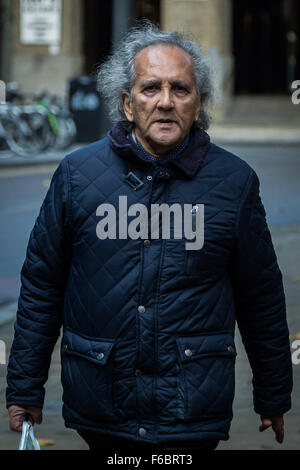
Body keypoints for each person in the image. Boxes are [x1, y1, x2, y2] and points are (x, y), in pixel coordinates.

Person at [6, 22, 292, 453]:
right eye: (150, 88)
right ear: (126, 103)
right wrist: (25, 387)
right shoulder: (77, 175)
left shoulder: (234, 182)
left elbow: (261, 296)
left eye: (180, 89)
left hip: (192, 405)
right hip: (101, 401)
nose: (164, 102)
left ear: (199, 103)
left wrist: (273, 391)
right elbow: (43, 286)